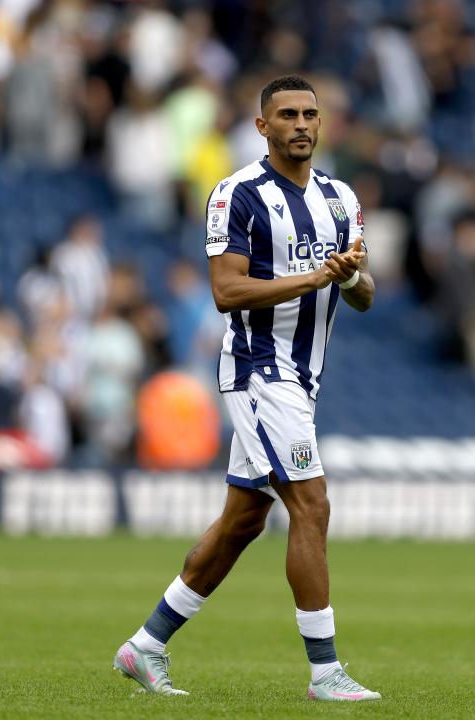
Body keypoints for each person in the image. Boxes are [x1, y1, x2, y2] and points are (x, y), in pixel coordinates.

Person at [112, 75, 381, 702]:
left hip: (303, 376)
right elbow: (225, 291)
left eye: (310, 113)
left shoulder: (342, 200)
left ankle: (145, 647)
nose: (301, 124)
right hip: (259, 370)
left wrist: (347, 277)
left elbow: (363, 297)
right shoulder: (237, 195)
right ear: (262, 126)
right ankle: (325, 673)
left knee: (243, 521)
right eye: (286, 114)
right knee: (311, 507)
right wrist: (316, 276)